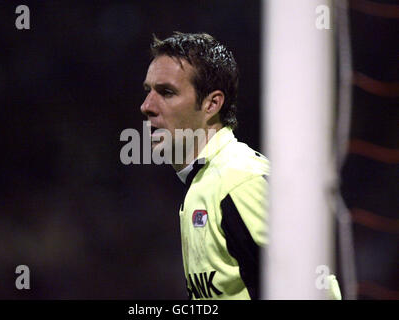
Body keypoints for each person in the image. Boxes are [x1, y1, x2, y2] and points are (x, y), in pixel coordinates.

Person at [140, 32, 340, 300]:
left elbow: (318, 288)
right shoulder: (204, 184)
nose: (147, 106)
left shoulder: (239, 180)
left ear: (212, 104)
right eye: (148, 91)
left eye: (166, 92)